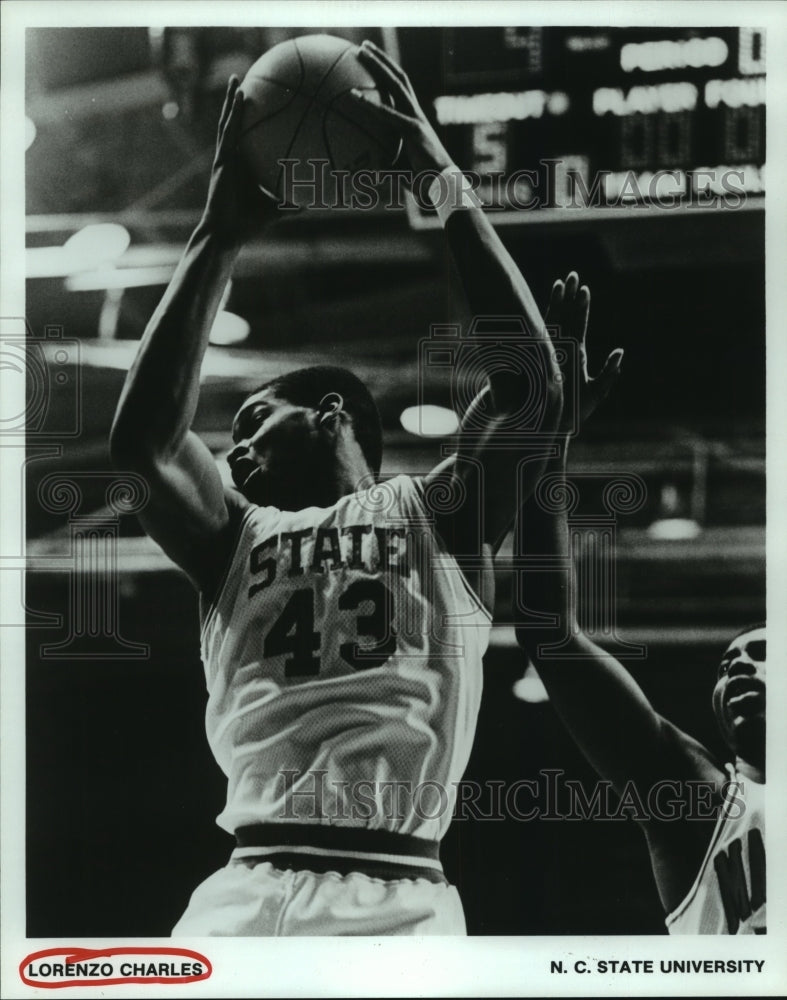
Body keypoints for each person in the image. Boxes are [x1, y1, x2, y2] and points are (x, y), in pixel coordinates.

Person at [110, 39, 562, 936]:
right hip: (244, 884)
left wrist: (446, 187)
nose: (234, 452)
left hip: (394, 889)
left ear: (329, 413)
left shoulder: (436, 516)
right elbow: (143, 446)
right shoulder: (231, 539)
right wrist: (218, 233)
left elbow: (530, 390)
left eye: (252, 423)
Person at [514, 273, 765, 934]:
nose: (738, 665)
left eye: (764, 653)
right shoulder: (701, 801)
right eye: (728, 661)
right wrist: (546, 437)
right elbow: (547, 633)